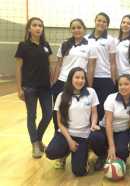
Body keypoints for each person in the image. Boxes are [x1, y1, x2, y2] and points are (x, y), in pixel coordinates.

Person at [45, 67, 99, 176]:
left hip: (83, 136)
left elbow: (94, 113)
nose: (80, 80)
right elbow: (59, 122)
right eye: (77, 77)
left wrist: (93, 123)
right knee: (51, 152)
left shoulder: (91, 92)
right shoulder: (61, 96)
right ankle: (64, 153)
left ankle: (85, 152)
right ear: (70, 79)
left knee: (79, 172)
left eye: (82, 78)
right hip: (65, 134)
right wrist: (69, 141)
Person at [88, 74, 130, 170]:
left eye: (126, 84)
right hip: (105, 129)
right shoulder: (111, 98)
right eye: (120, 85)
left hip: (122, 131)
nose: (123, 87)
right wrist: (111, 147)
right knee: (94, 137)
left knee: (122, 152)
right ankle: (102, 156)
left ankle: (125, 155)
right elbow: (108, 123)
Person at [15, 17, 52, 158]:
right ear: (29, 29)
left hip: (45, 87)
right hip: (29, 87)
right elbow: (18, 68)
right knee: (32, 116)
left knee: (48, 114)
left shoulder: (46, 45)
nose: (38, 28)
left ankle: (38, 139)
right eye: (35, 25)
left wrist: (52, 80)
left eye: (40, 25)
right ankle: (35, 144)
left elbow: (49, 66)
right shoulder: (23, 46)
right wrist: (19, 89)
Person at [52, 18, 97, 131]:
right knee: (59, 111)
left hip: (79, 83)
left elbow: (91, 68)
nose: (76, 30)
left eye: (79, 27)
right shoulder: (64, 44)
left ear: (84, 29)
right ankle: (59, 134)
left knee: (76, 111)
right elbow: (58, 64)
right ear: (70, 30)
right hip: (63, 81)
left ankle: (79, 136)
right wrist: (54, 81)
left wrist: (89, 86)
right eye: (73, 28)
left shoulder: (90, 46)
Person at [86, 12, 117, 122]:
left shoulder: (110, 40)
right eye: (99, 20)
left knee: (103, 108)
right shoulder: (86, 39)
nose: (101, 23)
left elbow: (113, 62)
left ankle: (102, 135)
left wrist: (113, 80)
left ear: (107, 25)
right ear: (95, 21)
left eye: (104, 21)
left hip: (105, 77)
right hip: (89, 78)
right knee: (89, 106)